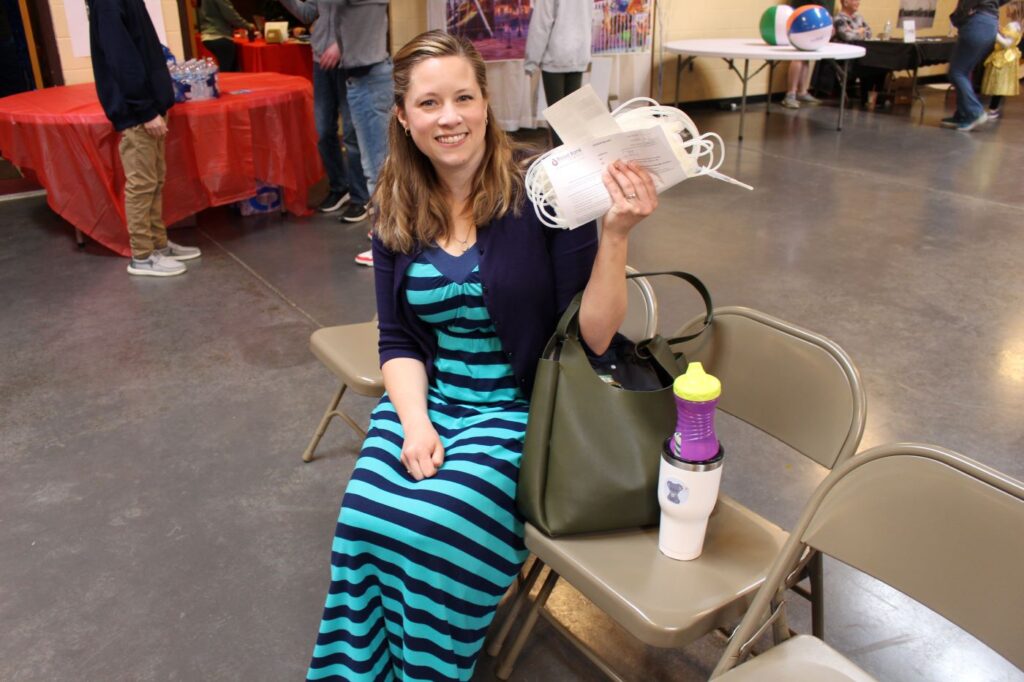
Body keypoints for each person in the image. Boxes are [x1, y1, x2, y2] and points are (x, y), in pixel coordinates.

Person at [306, 30, 657, 680]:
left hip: (522, 410)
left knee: (433, 527)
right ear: (404, 118)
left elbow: (596, 339)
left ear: (486, 105)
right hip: (430, 397)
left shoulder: (545, 191)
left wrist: (616, 236)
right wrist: (414, 423)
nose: (450, 117)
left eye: (464, 97)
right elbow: (400, 340)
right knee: (363, 521)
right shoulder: (396, 204)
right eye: (430, 103)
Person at [87, 0, 201, 276]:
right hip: (138, 112)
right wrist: (144, 109)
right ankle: (143, 255)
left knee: (155, 180)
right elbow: (121, 58)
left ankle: (157, 244)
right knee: (142, 184)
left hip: (150, 105)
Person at [316, 0, 392, 267]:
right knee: (377, 165)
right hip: (364, 79)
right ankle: (387, 235)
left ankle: (387, 243)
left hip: (369, 80)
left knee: (378, 169)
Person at [279, 0, 371, 219]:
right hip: (322, 60)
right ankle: (339, 187)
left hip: (351, 61)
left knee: (351, 132)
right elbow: (309, 14)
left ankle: (361, 196)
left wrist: (341, 45)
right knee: (324, 130)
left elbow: (366, 16)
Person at [523, 0, 593, 146]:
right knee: (571, 118)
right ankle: (572, 157)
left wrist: (531, 61)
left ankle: (561, 160)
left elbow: (541, 24)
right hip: (578, 53)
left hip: (556, 56)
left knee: (559, 118)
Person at [942, 0, 1011, 131]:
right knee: (964, 71)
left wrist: (958, 17)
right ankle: (963, 114)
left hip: (977, 22)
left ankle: (974, 112)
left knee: (957, 72)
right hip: (990, 24)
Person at [833, 0, 888, 107]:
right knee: (868, 65)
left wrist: (855, 31)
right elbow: (847, 37)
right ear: (845, 3)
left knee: (881, 64)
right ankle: (866, 98)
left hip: (861, 55)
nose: (858, 2)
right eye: (854, 0)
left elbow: (869, 33)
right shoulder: (839, 19)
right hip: (847, 58)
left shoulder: (859, 17)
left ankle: (876, 98)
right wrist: (859, 31)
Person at [782, 1, 828, 109]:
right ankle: (790, 94)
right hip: (801, 16)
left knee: (805, 56)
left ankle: (802, 92)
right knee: (798, 57)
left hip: (814, 14)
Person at [981, 0, 1021, 118]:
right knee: (999, 85)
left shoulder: (1012, 26)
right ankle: (994, 107)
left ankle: (993, 108)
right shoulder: (1016, 25)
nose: (1007, 10)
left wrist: (994, 32)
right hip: (1007, 57)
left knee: (998, 84)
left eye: (1009, 9)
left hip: (1004, 58)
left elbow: (1005, 43)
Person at [198, 0, 255, 72]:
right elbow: (231, 16)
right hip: (220, 35)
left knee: (228, 69)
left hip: (208, 35)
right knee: (227, 73)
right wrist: (248, 26)